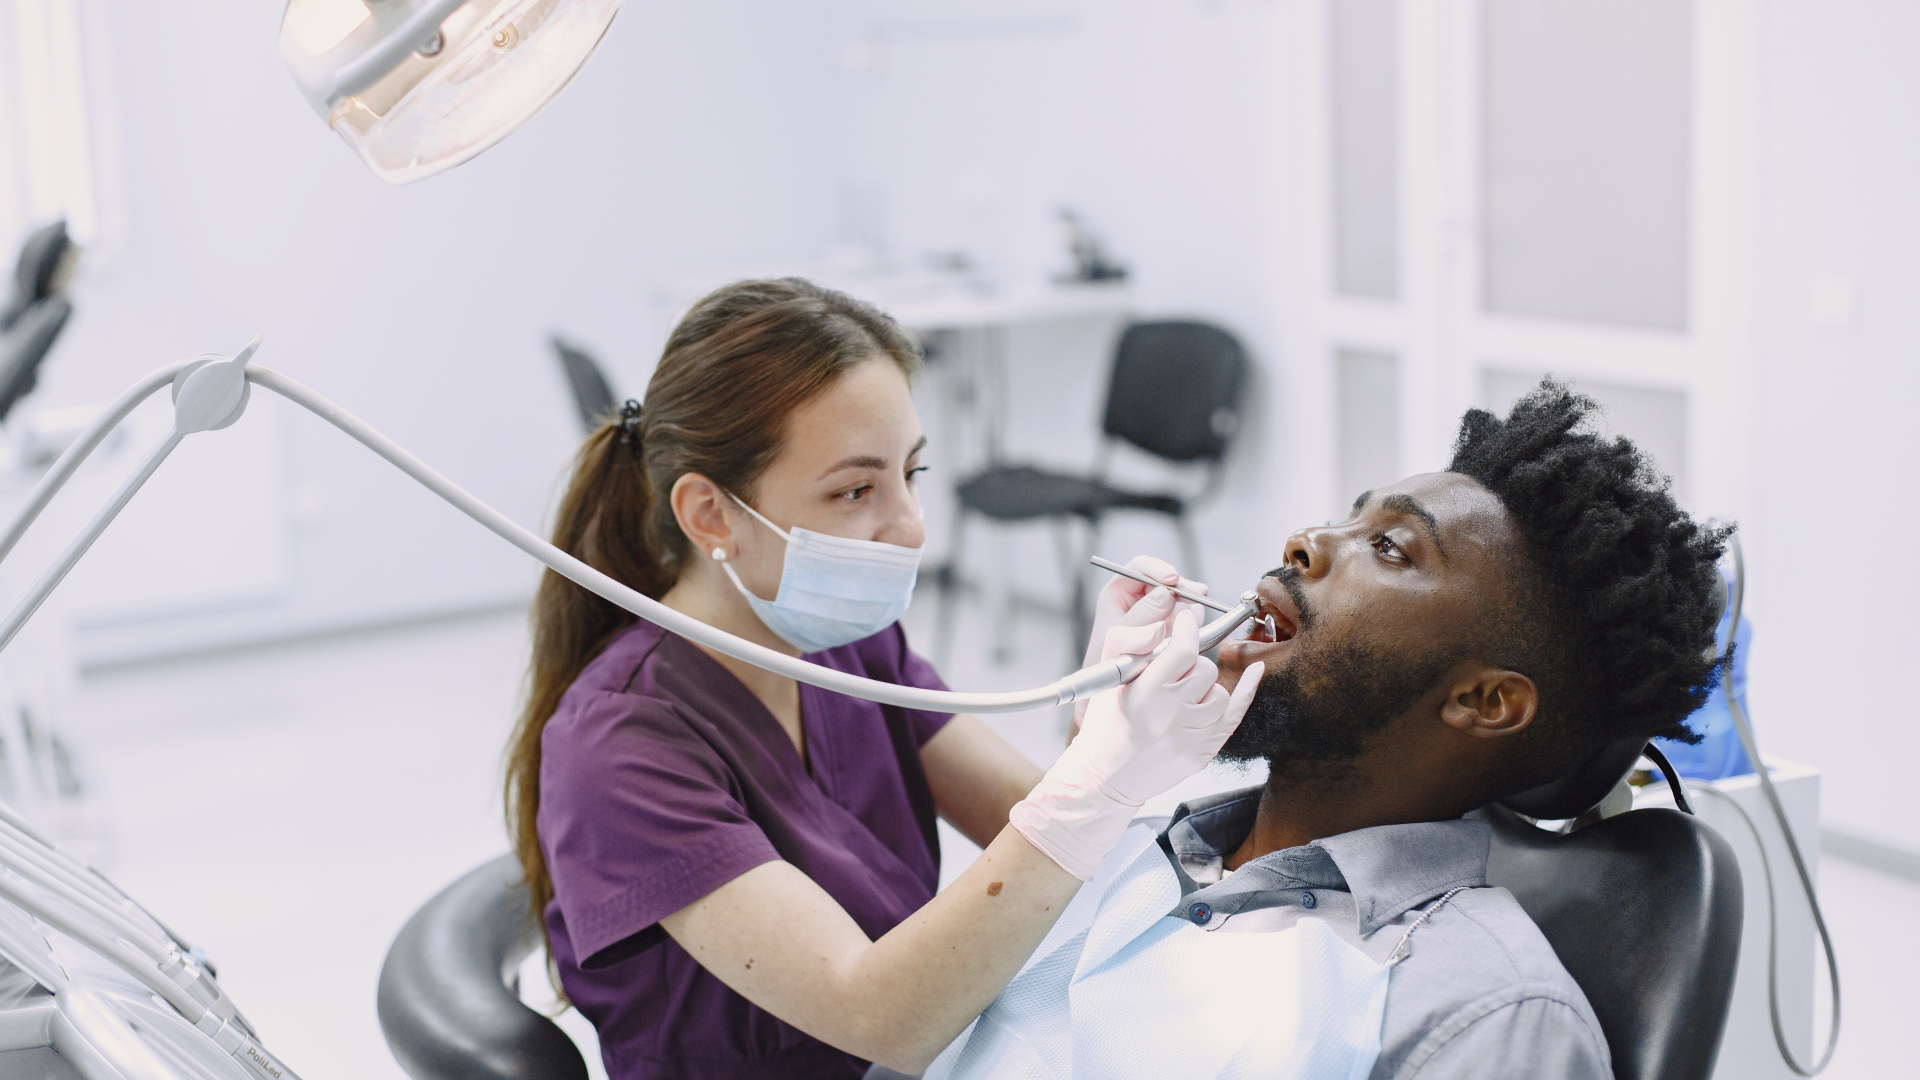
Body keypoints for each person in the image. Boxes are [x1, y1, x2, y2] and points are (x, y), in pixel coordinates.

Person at [503, 277, 1262, 1079]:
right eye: (855, 489)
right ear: (710, 515)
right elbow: (878, 1015)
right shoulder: (620, 747)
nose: (910, 528)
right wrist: (1096, 783)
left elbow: (1036, 828)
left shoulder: (851, 651)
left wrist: (1101, 728)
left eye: (913, 473)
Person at [925, 380, 1730, 1080]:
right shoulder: (1133, 844)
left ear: (1485, 702)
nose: (1306, 543)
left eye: (1390, 547)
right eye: (1351, 519)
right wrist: (1092, 766)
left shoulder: (1484, 1014)